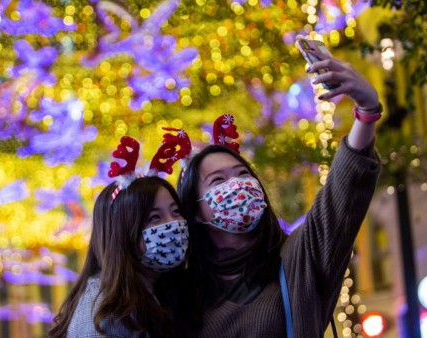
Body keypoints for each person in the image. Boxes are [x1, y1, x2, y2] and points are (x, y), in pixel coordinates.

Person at [176, 55, 382, 337]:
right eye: (218, 180)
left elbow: (340, 197)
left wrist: (367, 111)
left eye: (242, 174)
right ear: (195, 211)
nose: (236, 185)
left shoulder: (297, 260)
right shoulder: (179, 295)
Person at [49, 176, 189, 338]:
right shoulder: (105, 315)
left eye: (175, 212)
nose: (173, 224)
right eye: (154, 218)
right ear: (121, 232)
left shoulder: (151, 290)